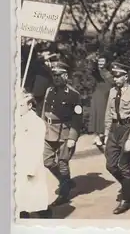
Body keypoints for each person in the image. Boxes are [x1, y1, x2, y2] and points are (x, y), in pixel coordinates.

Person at [103, 62, 130, 214]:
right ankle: (129, 185)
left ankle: (126, 198)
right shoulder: (113, 91)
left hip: (127, 129)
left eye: (119, 76)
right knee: (110, 165)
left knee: (123, 165)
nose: (116, 78)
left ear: (126, 77)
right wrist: (106, 132)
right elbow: (108, 112)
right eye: (114, 76)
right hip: (114, 129)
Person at [41, 61, 83, 207]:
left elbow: (78, 118)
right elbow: (44, 111)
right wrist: (41, 127)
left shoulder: (73, 94)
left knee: (63, 163)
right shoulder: (49, 90)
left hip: (63, 132)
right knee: (47, 161)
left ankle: (64, 194)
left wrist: (73, 137)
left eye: (59, 75)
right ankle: (66, 180)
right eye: (54, 75)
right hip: (48, 130)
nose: (56, 78)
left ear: (65, 76)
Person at [15, 91, 51, 219]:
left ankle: (46, 217)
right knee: (20, 201)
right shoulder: (17, 120)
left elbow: (37, 147)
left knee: (36, 198)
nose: (17, 108)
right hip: (18, 165)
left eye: (21, 106)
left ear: (29, 105)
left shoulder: (36, 122)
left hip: (31, 165)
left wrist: (31, 168)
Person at [90, 53, 114, 150]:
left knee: (105, 115)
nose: (100, 63)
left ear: (106, 63)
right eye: (99, 61)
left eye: (102, 61)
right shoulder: (97, 73)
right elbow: (93, 70)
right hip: (99, 95)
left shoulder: (109, 72)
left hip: (107, 95)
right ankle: (97, 136)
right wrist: (93, 62)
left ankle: (102, 135)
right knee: (98, 115)